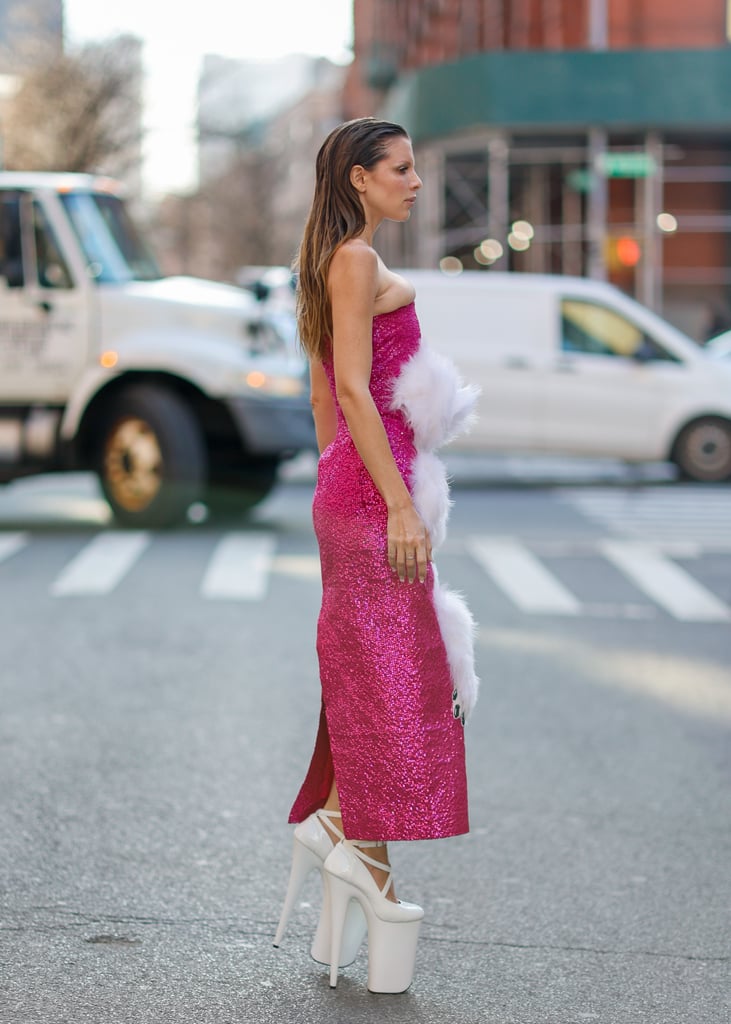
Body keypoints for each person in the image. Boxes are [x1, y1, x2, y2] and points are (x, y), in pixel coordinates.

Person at [273, 117, 479, 994]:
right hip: (373, 497)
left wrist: (341, 487)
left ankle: (347, 842)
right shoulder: (353, 260)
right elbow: (352, 387)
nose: (415, 181)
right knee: (397, 683)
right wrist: (392, 502)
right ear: (358, 179)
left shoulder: (336, 262)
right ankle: (348, 839)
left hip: (353, 491)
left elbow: (326, 396)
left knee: (371, 677)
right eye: (399, 169)